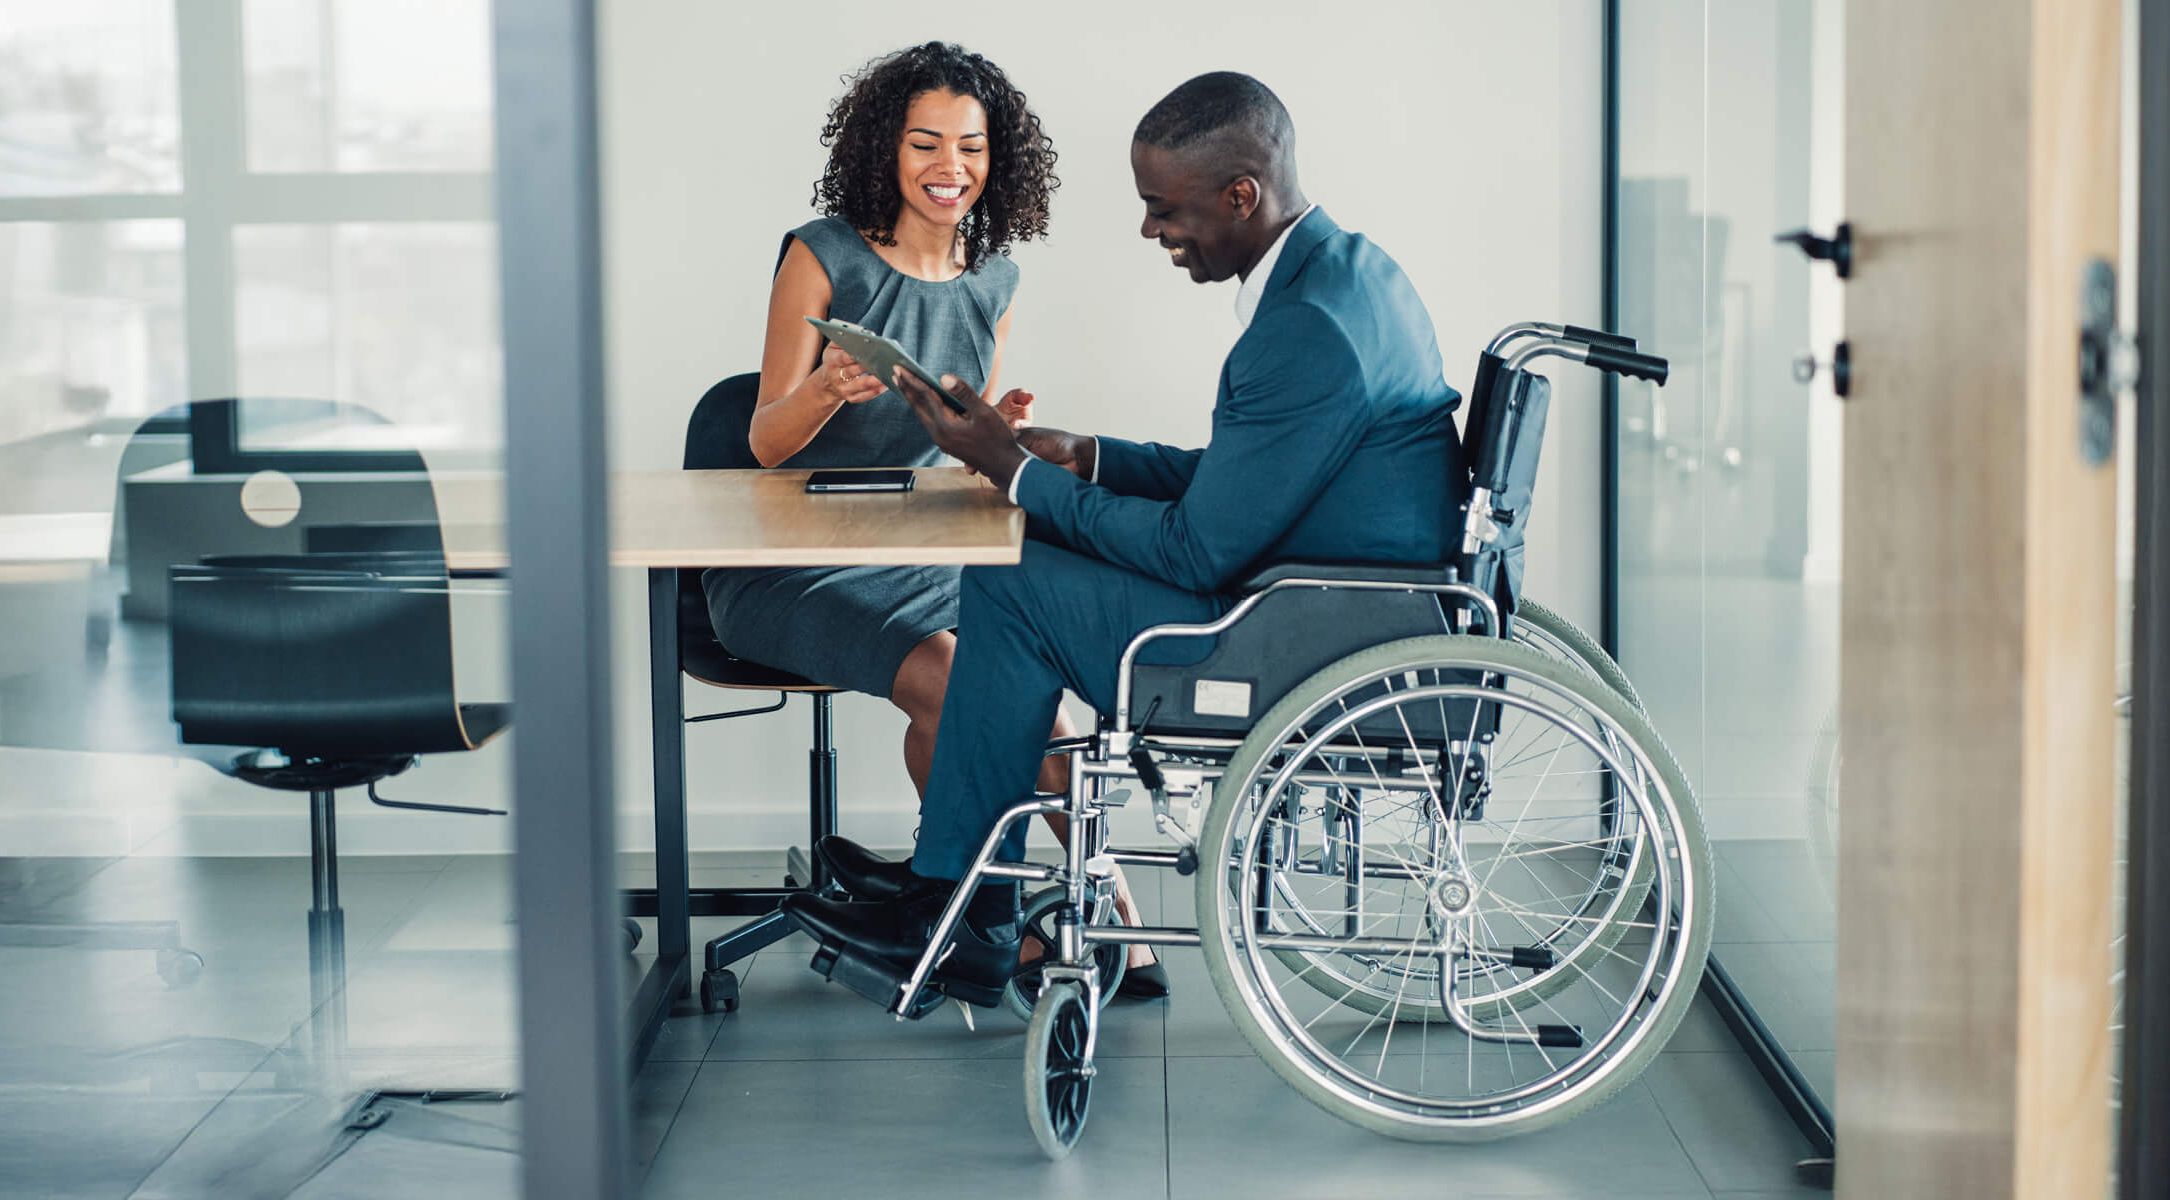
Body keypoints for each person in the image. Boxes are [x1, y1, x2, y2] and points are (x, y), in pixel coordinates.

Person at [785, 72, 1468, 1010]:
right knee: (1027, 565)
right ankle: (963, 904)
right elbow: (1263, 477)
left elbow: (1197, 552)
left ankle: (958, 910)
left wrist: (1013, 471)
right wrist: (1093, 456)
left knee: (1013, 582)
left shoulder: (1304, 327)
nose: (1153, 231)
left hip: (1300, 633)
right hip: (1325, 589)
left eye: (1164, 208)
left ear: (1241, 196)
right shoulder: (1352, 271)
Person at [709, 41, 1167, 998]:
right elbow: (762, 441)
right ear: (886, 149)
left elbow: (950, 444)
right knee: (961, 684)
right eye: (925, 145)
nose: (949, 168)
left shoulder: (992, 279)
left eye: (970, 147)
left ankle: (1102, 921)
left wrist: (994, 429)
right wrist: (829, 388)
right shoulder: (822, 253)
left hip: (914, 546)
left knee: (1032, 687)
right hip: (785, 563)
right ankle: (982, 921)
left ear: (999, 159)